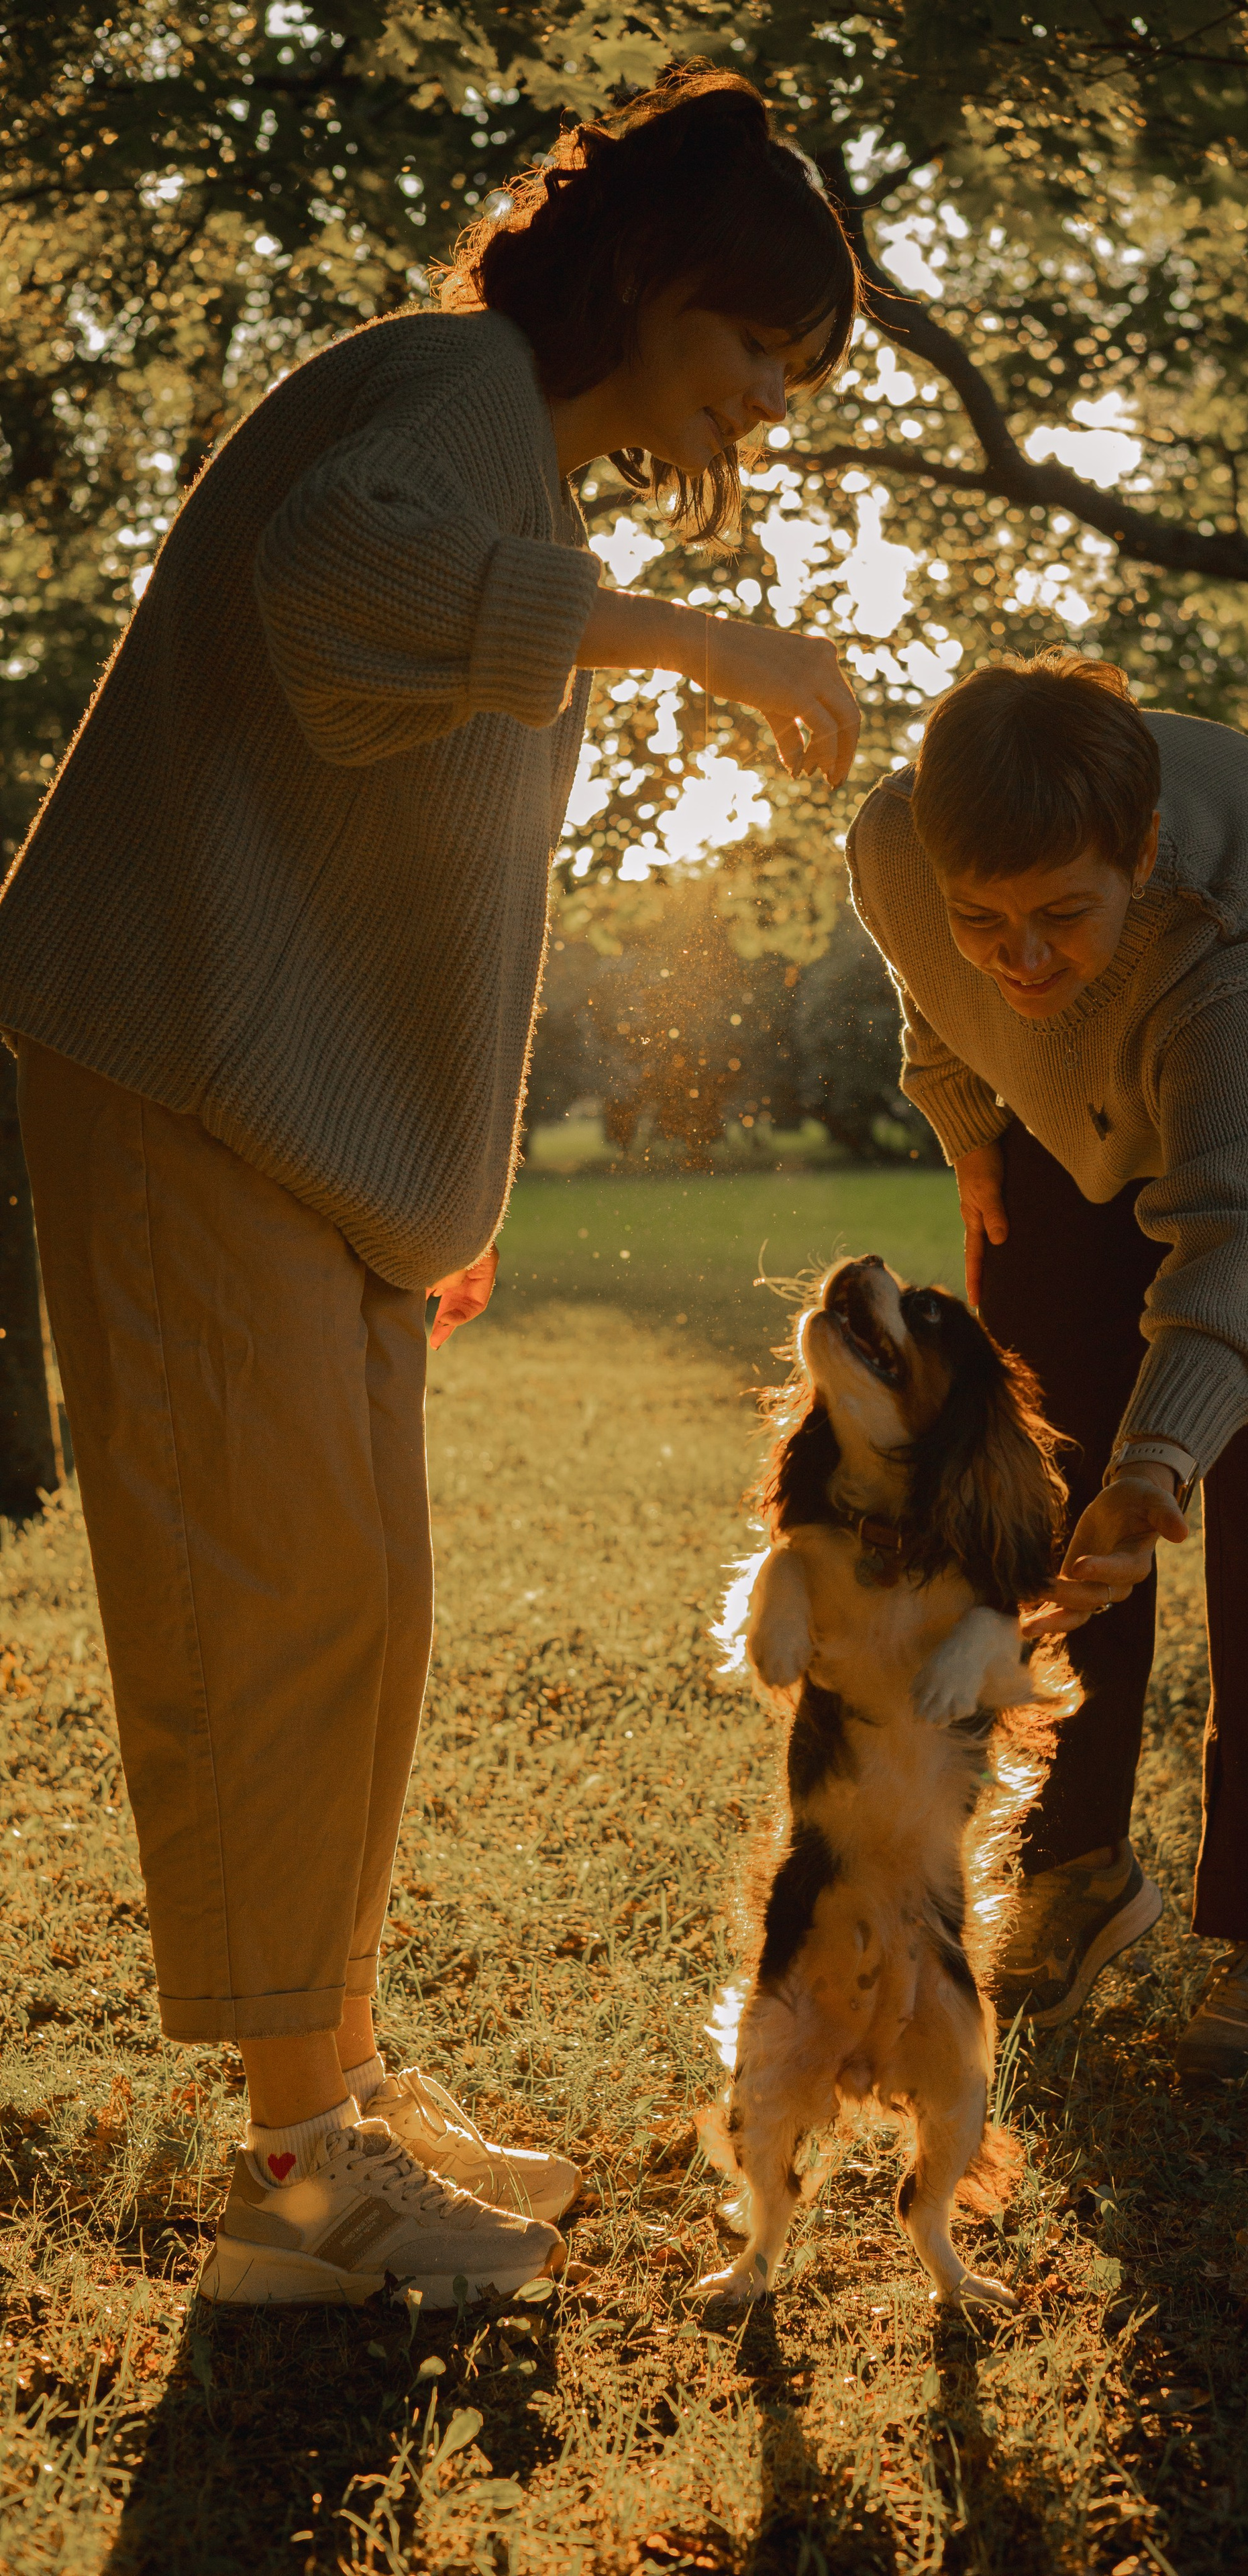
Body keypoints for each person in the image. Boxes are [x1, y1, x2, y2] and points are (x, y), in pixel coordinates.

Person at [0, 67, 863, 2304]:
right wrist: (706, 642)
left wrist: (420, 1198)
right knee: (274, 1608)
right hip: (186, 1077)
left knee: (359, 1614)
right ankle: (298, 2190)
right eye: (761, 343)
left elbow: (393, 840)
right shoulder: (453, 388)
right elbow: (339, 581)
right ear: (657, 277)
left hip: (301, 1145)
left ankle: (343, 2086)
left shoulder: (518, 472)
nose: (767, 402)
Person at [846, 651, 1248, 2085]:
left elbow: (1234, 1251)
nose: (1020, 954)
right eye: (985, 916)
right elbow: (933, 978)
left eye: (1060, 912)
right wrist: (965, 1118)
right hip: (1070, 1114)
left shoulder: (1238, 964)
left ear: (1142, 853)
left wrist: (1158, 1466)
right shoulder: (892, 841)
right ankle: (1078, 1864)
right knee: (1029, 1475)